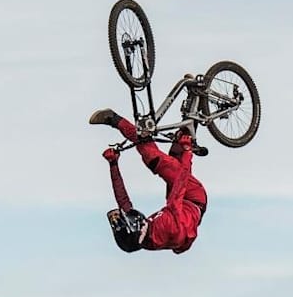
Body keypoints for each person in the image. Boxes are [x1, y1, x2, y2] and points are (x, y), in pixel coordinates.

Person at [88, 109, 207, 254]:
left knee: (173, 156)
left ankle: (194, 108)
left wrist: (113, 164)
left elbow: (123, 201)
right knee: (152, 157)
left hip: (183, 211)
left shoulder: (142, 238)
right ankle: (113, 118)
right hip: (193, 197)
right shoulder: (166, 227)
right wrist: (188, 151)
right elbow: (179, 188)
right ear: (137, 227)